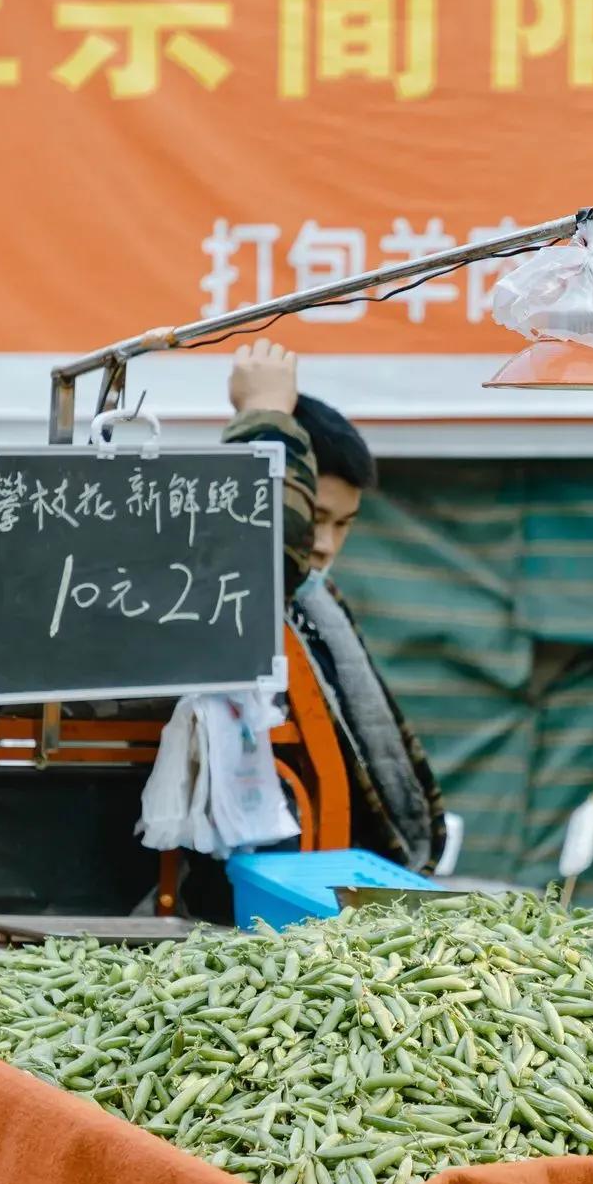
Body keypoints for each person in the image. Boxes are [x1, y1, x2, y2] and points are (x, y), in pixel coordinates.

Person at [223, 338, 446, 874]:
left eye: (342, 524)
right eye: (313, 517)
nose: (324, 543)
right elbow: (263, 550)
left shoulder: (323, 607)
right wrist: (265, 418)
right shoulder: (231, 592)